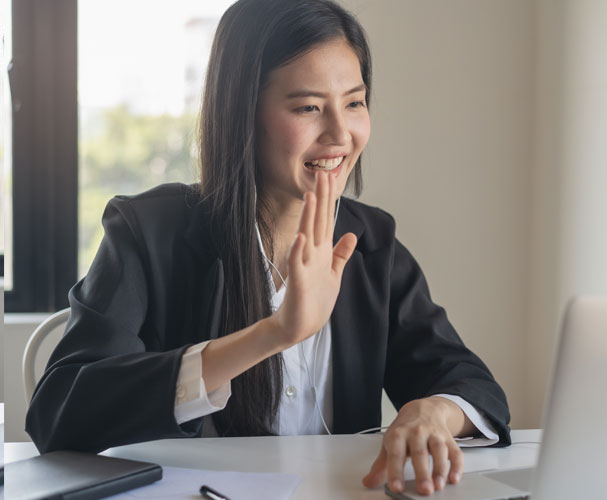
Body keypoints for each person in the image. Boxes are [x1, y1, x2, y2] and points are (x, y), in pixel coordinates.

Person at [26, 0, 511, 495]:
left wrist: (434, 411)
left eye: (354, 102)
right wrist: (274, 333)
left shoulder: (372, 243)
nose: (341, 135)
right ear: (242, 113)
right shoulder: (148, 232)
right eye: (308, 108)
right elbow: (59, 413)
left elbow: (470, 383)